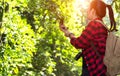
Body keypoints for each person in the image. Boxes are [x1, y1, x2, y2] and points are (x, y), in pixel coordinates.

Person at [59, 0, 117, 76]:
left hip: (94, 71)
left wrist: (69, 34)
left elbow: (78, 43)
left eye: (88, 8)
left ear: (93, 10)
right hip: (101, 70)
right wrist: (67, 31)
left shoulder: (94, 24)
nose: (87, 11)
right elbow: (85, 42)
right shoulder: (102, 26)